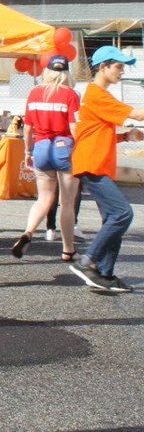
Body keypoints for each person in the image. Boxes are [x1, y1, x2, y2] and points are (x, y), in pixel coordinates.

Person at [68, 46, 144, 294]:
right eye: (119, 66)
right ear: (103, 67)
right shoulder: (98, 94)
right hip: (93, 165)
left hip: (96, 163)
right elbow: (137, 114)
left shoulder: (95, 96)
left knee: (113, 219)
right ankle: (87, 262)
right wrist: (133, 126)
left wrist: (124, 137)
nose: (122, 71)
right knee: (123, 214)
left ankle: (105, 273)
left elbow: (93, 132)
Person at [12, 54, 82, 262]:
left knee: (44, 198)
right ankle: (68, 249)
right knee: (67, 202)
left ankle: (28, 232)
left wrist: (27, 152)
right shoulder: (71, 94)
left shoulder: (34, 93)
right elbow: (74, 127)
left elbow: (28, 128)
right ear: (66, 72)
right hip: (65, 147)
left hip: (41, 148)